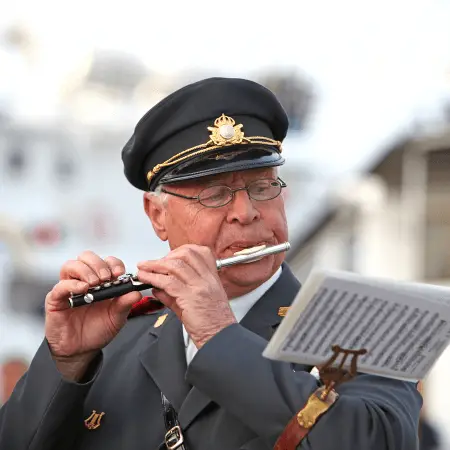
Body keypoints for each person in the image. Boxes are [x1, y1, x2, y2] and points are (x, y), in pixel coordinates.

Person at [0, 77, 422, 450]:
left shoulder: (362, 326)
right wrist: (66, 365)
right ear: (157, 216)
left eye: (262, 187)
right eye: (215, 194)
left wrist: (220, 336)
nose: (246, 212)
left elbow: (381, 440)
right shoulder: (114, 340)